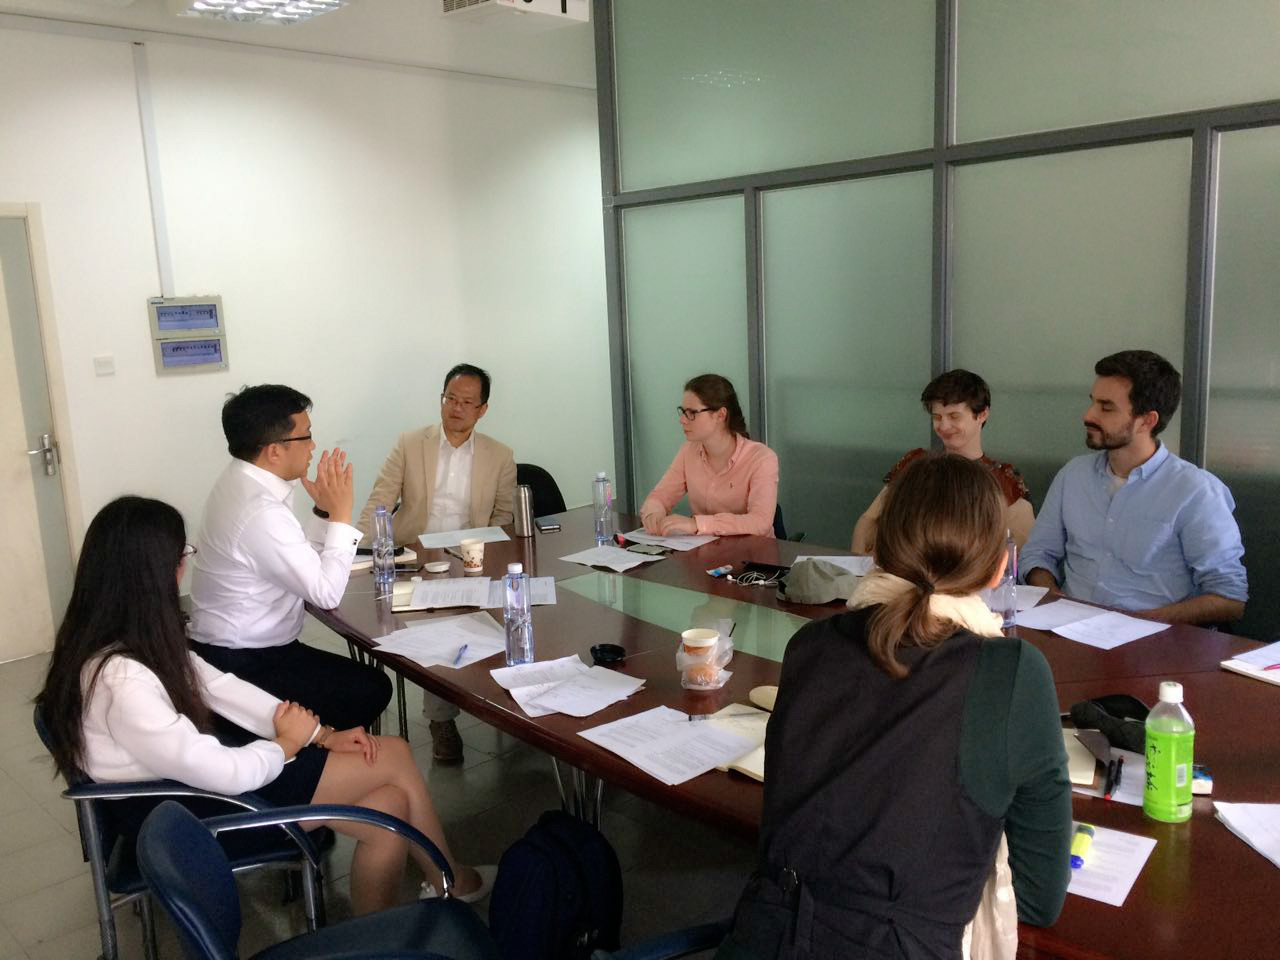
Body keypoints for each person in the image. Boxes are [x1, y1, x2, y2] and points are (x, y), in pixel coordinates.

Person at [36, 497, 491, 915]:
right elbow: (223, 772)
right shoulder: (121, 678)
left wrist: (321, 736)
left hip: (191, 789)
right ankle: (451, 881)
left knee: (388, 807)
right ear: (153, 575)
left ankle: (384, 933)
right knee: (393, 755)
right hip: (181, 822)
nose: (185, 567)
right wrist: (287, 745)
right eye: (181, 556)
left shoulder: (123, 642)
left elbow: (221, 687)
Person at [718, 455, 1071, 960]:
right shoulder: (1012, 672)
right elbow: (1036, 897)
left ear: (877, 552)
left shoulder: (810, 645)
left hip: (761, 938)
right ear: (999, 568)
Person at [188, 384, 392, 732]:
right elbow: (326, 593)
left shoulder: (242, 480)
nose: (313, 446)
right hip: (240, 661)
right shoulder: (259, 510)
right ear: (274, 451)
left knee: (362, 683)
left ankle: (323, 746)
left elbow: (298, 558)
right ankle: (314, 753)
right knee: (370, 688)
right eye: (306, 436)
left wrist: (323, 511)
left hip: (239, 647)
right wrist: (342, 515)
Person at [356, 363, 516, 764]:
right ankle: (441, 720)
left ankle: (501, 709)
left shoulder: (500, 455)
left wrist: (482, 558)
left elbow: (503, 519)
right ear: (441, 399)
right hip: (416, 556)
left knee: (496, 626)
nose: (456, 408)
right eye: (450, 399)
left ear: (482, 409)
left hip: (470, 559)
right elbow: (380, 500)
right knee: (436, 632)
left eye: (467, 402)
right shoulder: (411, 443)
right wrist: (353, 548)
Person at [1021, 350, 1247, 625]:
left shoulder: (1196, 491)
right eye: (1092, 402)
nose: (1088, 415)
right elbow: (1038, 555)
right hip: (1065, 628)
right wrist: (1056, 601)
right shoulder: (1073, 475)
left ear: (1147, 421)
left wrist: (1137, 623)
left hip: (1152, 639)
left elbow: (1229, 599)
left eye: (1106, 407)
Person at [851, 369, 1033, 554]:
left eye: (954, 416)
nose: (944, 426)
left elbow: (1021, 548)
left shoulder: (1003, 481)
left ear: (982, 414)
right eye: (937, 417)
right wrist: (858, 565)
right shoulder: (915, 466)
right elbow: (869, 522)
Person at [639, 374, 779, 538]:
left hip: (753, 551)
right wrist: (653, 513)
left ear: (720, 415)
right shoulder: (687, 452)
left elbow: (760, 522)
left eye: (692, 412)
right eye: (682, 412)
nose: (682, 420)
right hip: (706, 550)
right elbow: (660, 496)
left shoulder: (762, 458)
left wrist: (697, 524)